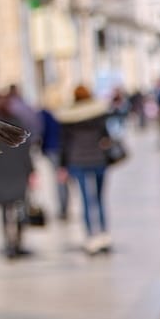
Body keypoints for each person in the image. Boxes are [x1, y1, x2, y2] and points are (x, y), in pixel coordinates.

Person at [56, 85, 112, 255]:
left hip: (78, 160)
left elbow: (64, 144)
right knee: (100, 198)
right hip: (98, 158)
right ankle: (103, 234)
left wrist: (62, 165)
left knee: (86, 200)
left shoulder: (69, 117)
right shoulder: (98, 113)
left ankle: (91, 237)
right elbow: (106, 136)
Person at [0, 90, 35, 259]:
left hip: (1, 171)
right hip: (18, 169)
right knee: (20, 206)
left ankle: (9, 243)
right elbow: (26, 149)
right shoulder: (17, 123)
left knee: (5, 210)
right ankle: (18, 242)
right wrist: (31, 170)